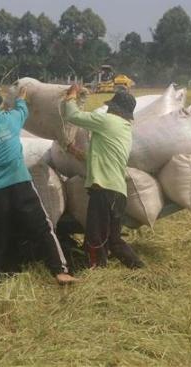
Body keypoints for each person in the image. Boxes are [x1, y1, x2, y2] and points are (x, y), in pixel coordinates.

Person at [0, 84, 77, 292]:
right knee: (43, 228)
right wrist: (22, 97)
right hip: (21, 184)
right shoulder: (10, 120)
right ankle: (60, 270)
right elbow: (23, 109)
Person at [62, 85, 144, 269]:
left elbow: (73, 116)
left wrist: (71, 97)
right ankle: (138, 267)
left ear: (114, 108)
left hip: (104, 191)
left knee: (95, 236)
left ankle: (98, 270)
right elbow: (100, 155)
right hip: (118, 193)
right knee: (113, 239)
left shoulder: (108, 121)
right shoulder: (124, 129)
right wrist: (75, 151)